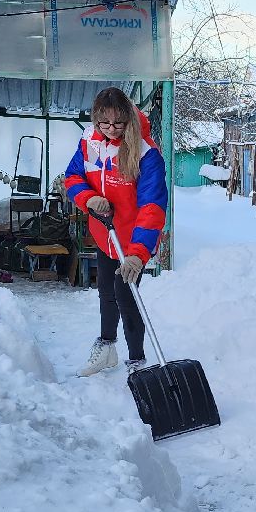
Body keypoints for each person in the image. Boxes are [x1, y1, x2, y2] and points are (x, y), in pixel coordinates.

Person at [63, 87, 168, 377]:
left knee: (126, 294)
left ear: (128, 119)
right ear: (95, 119)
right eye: (104, 123)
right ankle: (107, 347)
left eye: (118, 123)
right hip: (105, 233)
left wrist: (137, 254)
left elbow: (153, 207)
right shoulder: (89, 141)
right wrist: (88, 198)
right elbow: (72, 177)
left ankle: (137, 362)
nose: (111, 129)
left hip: (134, 239)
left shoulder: (146, 153)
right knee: (106, 292)